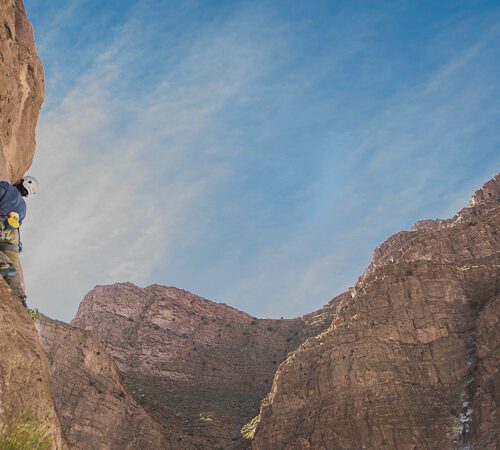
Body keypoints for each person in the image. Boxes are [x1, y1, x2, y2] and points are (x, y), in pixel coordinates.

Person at [0, 176, 38, 307]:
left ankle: (3, 263)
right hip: (12, 235)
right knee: (13, 267)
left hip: (1, 220)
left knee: (5, 261)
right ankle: (20, 298)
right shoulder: (23, 207)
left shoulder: (6, 187)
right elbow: (18, 224)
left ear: (21, 181)